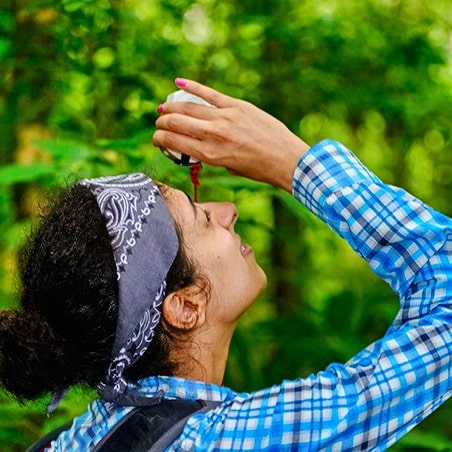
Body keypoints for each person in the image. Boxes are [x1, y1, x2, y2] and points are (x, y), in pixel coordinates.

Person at [0, 78, 450, 451]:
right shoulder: (226, 441)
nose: (229, 209)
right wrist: (292, 162)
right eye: (202, 218)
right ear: (185, 306)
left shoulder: (65, 443)